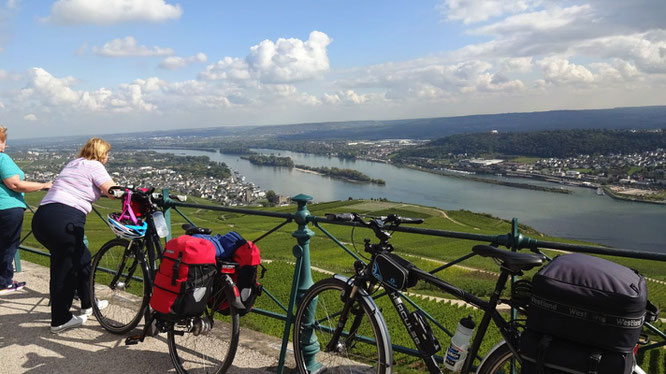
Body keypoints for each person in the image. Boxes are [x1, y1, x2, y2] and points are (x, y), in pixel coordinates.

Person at [32, 137, 115, 333]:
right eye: (107, 154)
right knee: (64, 268)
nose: (107, 157)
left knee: (83, 260)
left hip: (43, 217)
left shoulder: (74, 163)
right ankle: (60, 319)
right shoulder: (94, 165)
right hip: (64, 219)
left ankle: (88, 304)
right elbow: (111, 191)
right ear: (101, 153)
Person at [0, 126, 52, 295]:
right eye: (3, 142)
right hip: (7, 208)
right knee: (8, 246)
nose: (5, 146)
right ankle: (4, 282)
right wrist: (44, 185)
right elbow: (15, 184)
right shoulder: (2, 159)